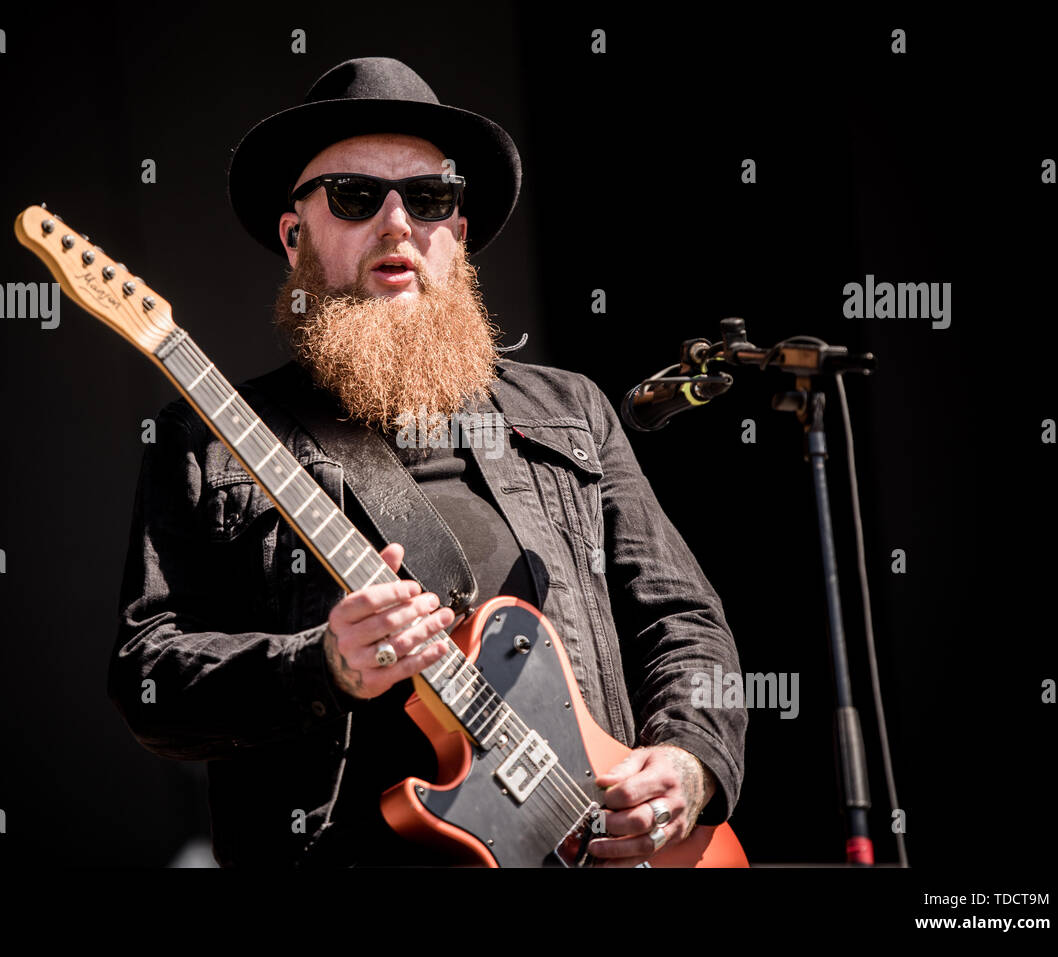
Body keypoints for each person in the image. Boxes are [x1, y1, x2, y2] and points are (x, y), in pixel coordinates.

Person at [108, 56, 746, 867]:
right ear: (294, 234)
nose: (398, 223)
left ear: (460, 231)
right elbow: (148, 677)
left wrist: (689, 765)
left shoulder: (571, 411)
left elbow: (682, 620)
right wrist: (322, 664)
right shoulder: (208, 437)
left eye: (432, 196)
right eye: (355, 195)